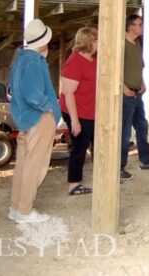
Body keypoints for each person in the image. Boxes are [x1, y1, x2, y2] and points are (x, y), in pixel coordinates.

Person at [8, 19, 61, 224]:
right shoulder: (32, 60)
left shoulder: (20, 58)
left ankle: (16, 207)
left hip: (24, 118)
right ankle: (24, 210)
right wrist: (48, 106)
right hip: (39, 118)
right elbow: (33, 95)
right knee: (35, 165)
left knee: (23, 164)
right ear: (44, 43)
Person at [121, 14, 149, 181]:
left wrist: (142, 82)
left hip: (137, 93)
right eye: (140, 24)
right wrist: (124, 89)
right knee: (125, 133)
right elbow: (116, 70)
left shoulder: (137, 44)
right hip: (126, 95)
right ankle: (119, 168)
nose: (142, 27)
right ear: (131, 27)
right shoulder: (122, 45)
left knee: (142, 127)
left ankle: (146, 161)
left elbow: (138, 66)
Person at [58, 26, 98, 196]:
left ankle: (104, 177)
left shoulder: (94, 59)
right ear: (90, 42)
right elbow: (68, 93)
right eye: (97, 39)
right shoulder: (75, 61)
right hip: (76, 110)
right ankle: (74, 184)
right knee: (80, 146)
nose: (100, 43)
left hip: (90, 109)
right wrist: (75, 121)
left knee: (98, 142)